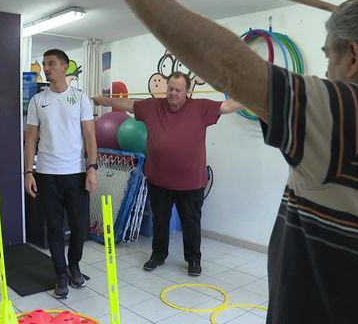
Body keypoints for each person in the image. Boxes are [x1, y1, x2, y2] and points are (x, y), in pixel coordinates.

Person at [87, 0, 358, 324]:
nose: (328, 71)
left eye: (329, 56)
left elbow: (232, 68)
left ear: (354, 58)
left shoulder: (357, 115)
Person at [93, 72, 244, 276]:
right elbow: (128, 105)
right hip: (159, 180)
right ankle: (158, 255)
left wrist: (257, 97)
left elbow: (226, 107)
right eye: (170, 88)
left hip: (191, 182)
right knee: (160, 220)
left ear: (187, 91)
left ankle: (193, 260)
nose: (173, 93)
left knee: (191, 223)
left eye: (178, 90)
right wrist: (102, 99)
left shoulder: (200, 107)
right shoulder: (153, 106)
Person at [24, 49, 98, 299]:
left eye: (51, 64)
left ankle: (74, 265)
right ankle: (61, 274)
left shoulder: (80, 98)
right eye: (44, 64)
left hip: (76, 174)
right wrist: (28, 171)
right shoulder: (37, 101)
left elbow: (89, 135)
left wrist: (92, 168)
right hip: (46, 173)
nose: (46, 68)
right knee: (54, 228)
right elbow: (31, 137)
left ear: (65, 67)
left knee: (79, 228)